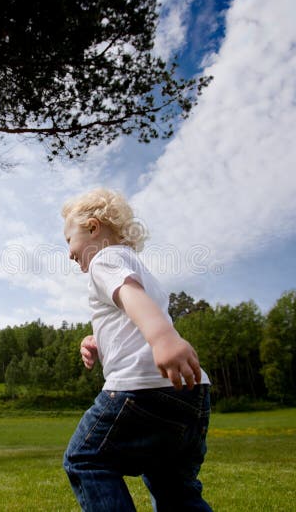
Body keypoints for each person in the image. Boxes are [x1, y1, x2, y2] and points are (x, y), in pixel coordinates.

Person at [61, 188, 213, 512]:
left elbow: (130, 297)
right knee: (174, 486)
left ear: (92, 228)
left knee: (86, 459)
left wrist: (162, 338)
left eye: (68, 240)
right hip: (190, 394)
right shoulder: (136, 268)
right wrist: (98, 340)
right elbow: (131, 313)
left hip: (141, 391)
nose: (70, 253)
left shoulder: (104, 258)